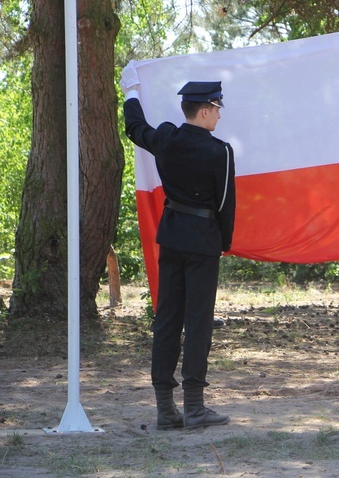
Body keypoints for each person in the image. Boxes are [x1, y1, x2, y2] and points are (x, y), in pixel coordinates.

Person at [120, 65, 237, 430]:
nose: (219, 113)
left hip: (171, 235)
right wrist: (225, 243)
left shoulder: (168, 139)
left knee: (167, 319)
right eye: (217, 107)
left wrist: (131, 92)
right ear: (204, 110)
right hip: (203, 239)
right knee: (198, 321)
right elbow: (225, 204)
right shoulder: (221, 151)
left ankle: (165, 409)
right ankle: (196, 406)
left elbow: (136, 129)